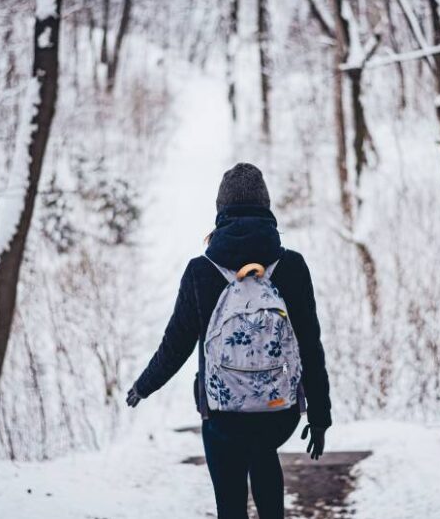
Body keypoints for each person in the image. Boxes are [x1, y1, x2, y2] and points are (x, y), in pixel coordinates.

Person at [126, 162, 332, 519]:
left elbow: (176, 346)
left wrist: (144, 386)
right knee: (264, 457)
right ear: (266, 207)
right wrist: (319, 414)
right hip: (278, 413)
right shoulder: (293, 266)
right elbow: (310, 346)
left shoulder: (200, 271)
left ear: (220, 210)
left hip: (222, 414)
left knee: (230, 502)